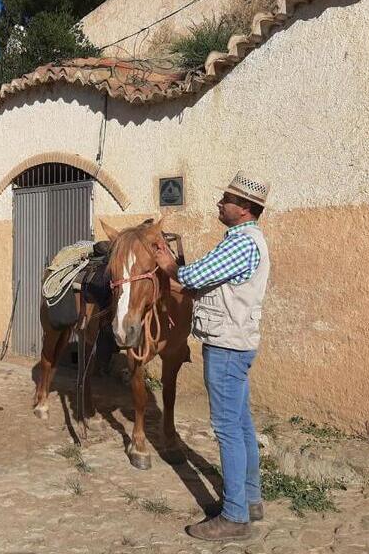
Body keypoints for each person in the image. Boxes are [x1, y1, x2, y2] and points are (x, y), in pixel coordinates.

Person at [154, 171, 271, 543]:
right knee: (240, 425)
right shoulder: (245, 240)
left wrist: (165, 261)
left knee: (226, 430)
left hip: (226, 345)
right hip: (237, 343)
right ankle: (251, 500)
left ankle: (235, 517)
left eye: (227, 200)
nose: (220, 204)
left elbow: (192, 277)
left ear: (245, 209)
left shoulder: (241, 243)